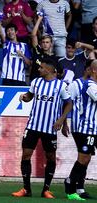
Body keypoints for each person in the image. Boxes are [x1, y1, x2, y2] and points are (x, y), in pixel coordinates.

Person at [12, 57, 72, 199]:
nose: (39, 69)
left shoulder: (61, 86)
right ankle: (26, 189)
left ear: (50, 70)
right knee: (26, 154)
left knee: (50, 157)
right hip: (33, 125)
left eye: (41, 67)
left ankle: (46, 189)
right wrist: (24, 97)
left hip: (50, 127)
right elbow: (30, 96)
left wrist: (62, 121)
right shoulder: (36, 82)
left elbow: (68, 104)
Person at [64, 60, 92, 200]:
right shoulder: (76, 84)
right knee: (83, 157)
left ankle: (80, 187)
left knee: (86, 158)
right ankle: (71, 184)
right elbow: (67, 101)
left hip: (92, 128)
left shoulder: (94, 85)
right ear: (88, 69)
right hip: (80, 126)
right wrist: (64, 122)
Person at [29, 14, 59, 81]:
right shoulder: (38, 51)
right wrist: (39, 20)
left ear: (51, 44)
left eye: (47, 42)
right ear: (41, 44)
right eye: (43, 42)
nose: (45, 44)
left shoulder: (54, 58)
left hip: (46, 84)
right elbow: (33, 35)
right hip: (34, 82)